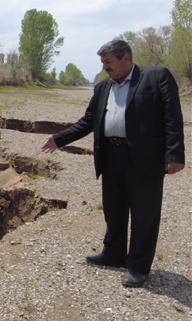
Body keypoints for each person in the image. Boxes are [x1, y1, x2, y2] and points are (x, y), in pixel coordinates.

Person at [41, 39, 185, 288]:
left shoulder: (156, 77)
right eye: (103, 63)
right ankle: (114, 253)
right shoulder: (102, 88)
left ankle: (138, 267)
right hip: (111, 156)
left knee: (144, 213)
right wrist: (59, 138)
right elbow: (88, 121)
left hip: (144, 159)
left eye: (108, 63)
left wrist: (174, 155)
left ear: (126, 58)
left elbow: (172, 117)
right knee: (113, 208)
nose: (105, 68)